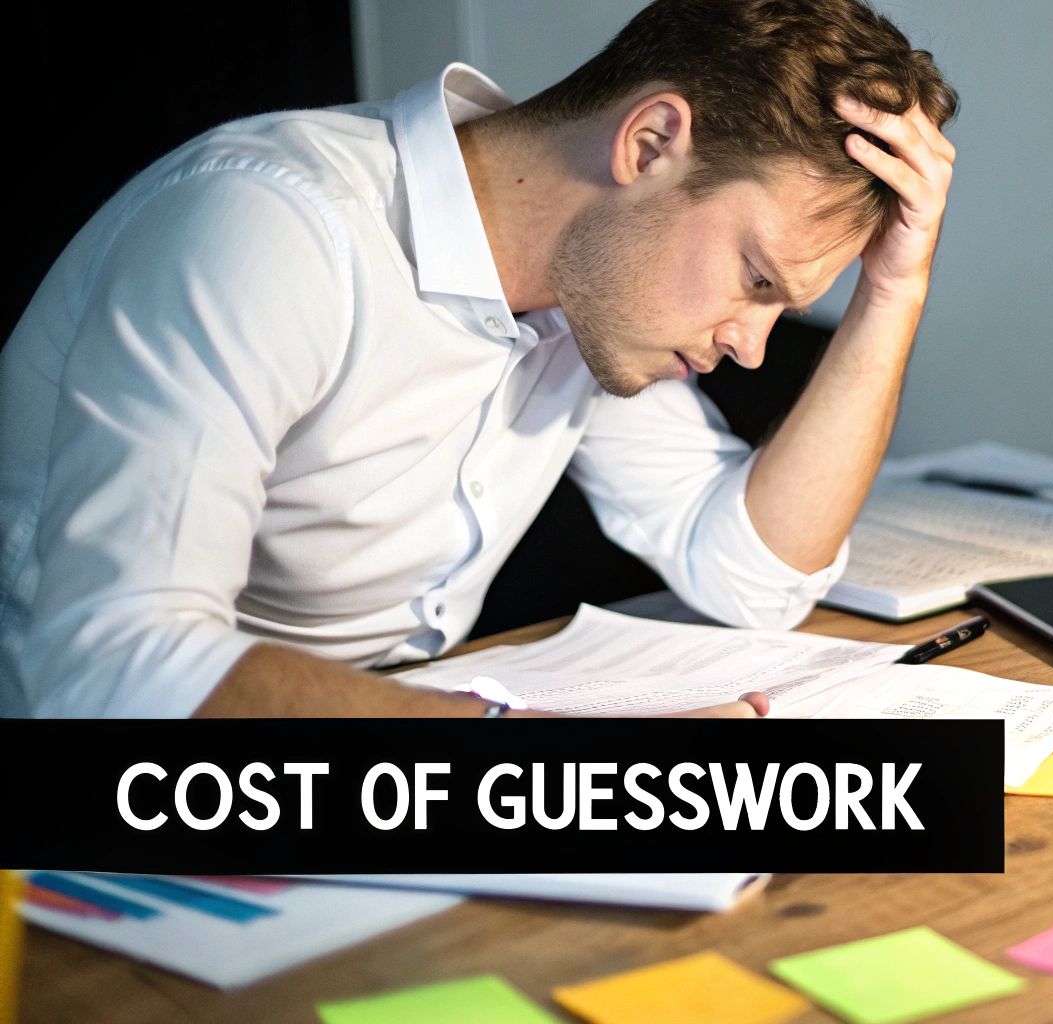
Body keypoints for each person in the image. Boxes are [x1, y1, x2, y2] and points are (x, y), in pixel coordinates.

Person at [0, 0, 957, 719]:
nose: (750, 349)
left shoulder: (591, 290)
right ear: (650, 142)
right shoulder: (270, 227)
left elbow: (750, 578)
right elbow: (114, 667)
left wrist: (894, 292)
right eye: (756, 278)